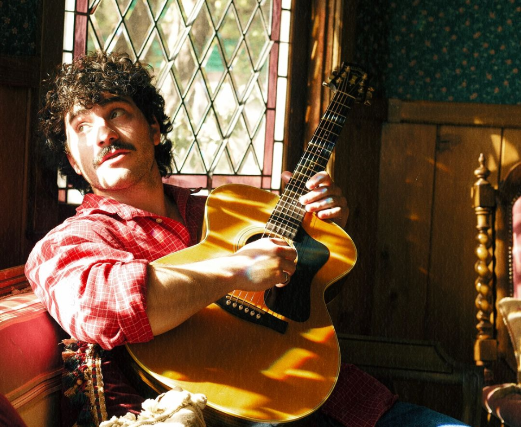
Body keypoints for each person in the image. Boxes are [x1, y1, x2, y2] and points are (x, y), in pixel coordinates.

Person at [25, 51, 468, 427]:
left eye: (117, 113)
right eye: (82, 126)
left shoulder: (232, 208)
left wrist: (325, 230)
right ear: (74, 161)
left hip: (346, 402)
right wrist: (235, 270)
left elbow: (314, 289)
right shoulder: (67, 242)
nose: (104, 133)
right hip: (232, 413)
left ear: (154, 129)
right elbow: (99, 307)